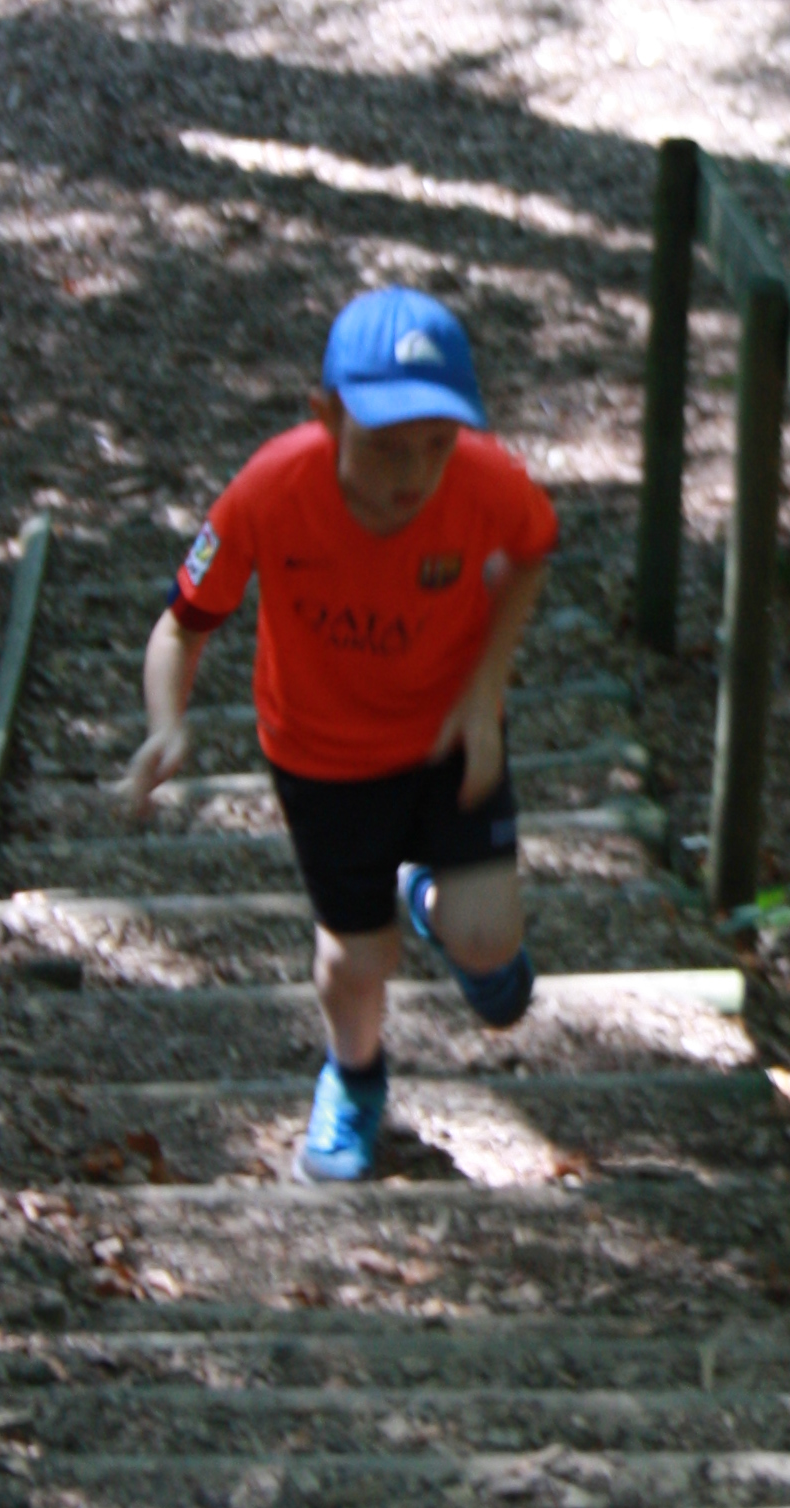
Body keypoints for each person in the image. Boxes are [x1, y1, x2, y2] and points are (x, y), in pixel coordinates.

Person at [109, 287, 558, 1182]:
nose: (415, 472)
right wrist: (166, 723)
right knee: (356, 954)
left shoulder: (483, 480)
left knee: (493, 954)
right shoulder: (270, 490)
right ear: (325, 415)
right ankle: (353, 1079)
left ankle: (428, 897)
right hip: (322, 756)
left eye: (437, 443)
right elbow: (184, 624)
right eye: (387, 446)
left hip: (447, 734)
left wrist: (485, 692)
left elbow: (530, 553)